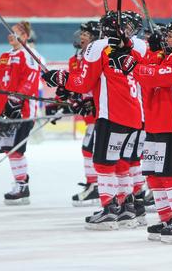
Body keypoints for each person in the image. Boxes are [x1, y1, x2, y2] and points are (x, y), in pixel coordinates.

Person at [42, 11, 147, 230]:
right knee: (121, 162)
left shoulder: (98, 47)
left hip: (112, 114)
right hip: (135, 115)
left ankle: (109, 210)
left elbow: (83, 83)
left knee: (103, 162)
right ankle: (127, 208)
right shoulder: (139, 46)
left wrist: (58, 77)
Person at [109, 20, 172, 244]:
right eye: (167, 35)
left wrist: (131, 64)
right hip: (155, 125)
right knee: (155, 176)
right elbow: (145, 71)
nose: (167, 39)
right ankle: (168, 218)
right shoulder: (163, 56)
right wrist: (124, 49)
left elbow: (163, 76)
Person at [0, 21, 41, 205]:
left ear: (26, 36)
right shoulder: (4, 56)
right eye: (9, 32)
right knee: (9, 150)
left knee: (16, 150)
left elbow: (31, 79)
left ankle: (22, 186)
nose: (11, 35)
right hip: (4, 110)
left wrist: (16, 101)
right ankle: (21, 185)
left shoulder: (29, 55)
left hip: (22, 110)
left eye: (16, 32)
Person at [69, 21, 101, 206]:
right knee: (89, 148)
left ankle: (96, 186)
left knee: (90, 148)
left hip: (98, 110)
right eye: (81, 34)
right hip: (88, 110)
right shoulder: (77, 57)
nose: (81, 37)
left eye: (86, 35)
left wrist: (88, 100)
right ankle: (93, 184)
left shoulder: (94, 56)